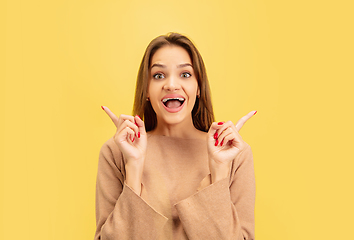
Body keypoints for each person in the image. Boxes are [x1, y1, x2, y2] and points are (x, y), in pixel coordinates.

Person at [94, 32, 256, 240]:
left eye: (185, 74)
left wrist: (219, 174)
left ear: (199, 87)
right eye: (158, 75)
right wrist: (133, 167)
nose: (171, 84)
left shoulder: (235, 154)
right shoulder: (116, 152)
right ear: (146, 90)